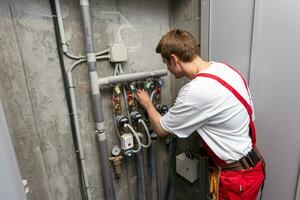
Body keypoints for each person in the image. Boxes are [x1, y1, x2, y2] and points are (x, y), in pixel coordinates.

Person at [136, 29, 265, 200]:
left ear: (174, 59)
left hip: (236, 180)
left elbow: (161, 129)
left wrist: (147, 104)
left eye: (166, 63)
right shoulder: (226, 70)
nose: (167, 68)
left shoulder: (194, 91)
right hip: (252, 166)